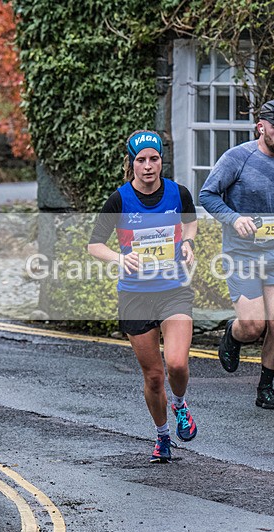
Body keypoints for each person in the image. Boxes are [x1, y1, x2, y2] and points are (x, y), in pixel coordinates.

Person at [199, 100, 274, 410]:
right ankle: (233, 334)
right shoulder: (236, 158)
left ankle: (266, 387)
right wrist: (233, 218)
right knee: (253, 326)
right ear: (260, 127)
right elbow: (207, 194)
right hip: (242, 255)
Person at [88, 130, 198, 463]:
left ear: (161, 160)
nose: (148, 167)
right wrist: (120, 259)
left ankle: (180, 405)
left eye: (153, 159)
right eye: (141, 160)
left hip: (174, 290)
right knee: (153, 376)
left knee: (177, 363)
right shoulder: (119, 200)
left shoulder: (178, 193)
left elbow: (190, 223)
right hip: (135, 296)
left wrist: (189, 243)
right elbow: (94, 245)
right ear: (131, 163)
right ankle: (162, 436)